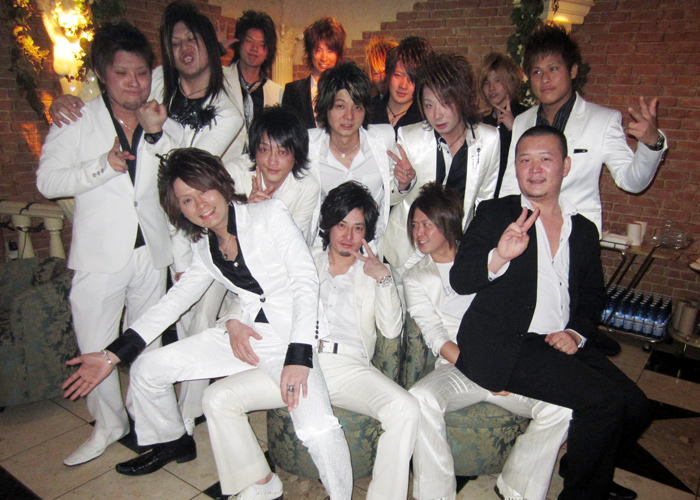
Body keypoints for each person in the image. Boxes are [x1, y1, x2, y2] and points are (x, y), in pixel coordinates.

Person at [61, 148, 352, 500]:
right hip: (249, 335)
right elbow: (173, 302)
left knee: (318, 429)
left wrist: (299, 355)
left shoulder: (268, 214)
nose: (200, 205)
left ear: (221, 184)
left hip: (293, 338)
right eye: (187, 200)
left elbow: (305, 281)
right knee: (147, 368)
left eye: (203, 190)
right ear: (179, 209)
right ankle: (175, 441)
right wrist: (111, 355)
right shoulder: (204, 251)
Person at [451, 125, 651, 500]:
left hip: (562, 340)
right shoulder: (496, 214)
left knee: (637, 407)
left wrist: (575, 332)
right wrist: (499, 257)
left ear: (565, 166)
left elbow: (592, 295)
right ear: (515, 168)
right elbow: (461, 279)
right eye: (525, 160)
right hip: (510, 344)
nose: (535, 169)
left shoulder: (583, 229)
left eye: (546, 159)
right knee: (603, 401)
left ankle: (582, 465)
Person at [36, 22, 181, 467]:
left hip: (151, 252)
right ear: (102, 73)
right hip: (100, 255)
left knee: (148, 343)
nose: (134, 82)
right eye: (122, 73)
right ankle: (108, 423)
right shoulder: (78, 118)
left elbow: (176, 173)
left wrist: (156, 135)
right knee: (95, 344)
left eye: (141, 72)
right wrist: (102, 166)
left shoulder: (159, 118)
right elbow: (48, 181)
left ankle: (147, 417)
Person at [404, 182, 571, 500]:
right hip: (459, 365)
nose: (419, 233)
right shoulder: (415, 276)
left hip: (506, 360)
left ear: (447, 222)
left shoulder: (488, 255)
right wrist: (481, 371)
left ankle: (517, 487)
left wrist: (499, 368)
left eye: (427, 224)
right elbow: (435, 335)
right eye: (414, 225)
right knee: (420, 398)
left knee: (562, 407)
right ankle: (435, 494)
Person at [499, 23, 667, 233]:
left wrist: (652, 144)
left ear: (573, 71)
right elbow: (511, 182)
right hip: (527, 233)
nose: (545, 79)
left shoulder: (602, 120)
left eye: (553, 68)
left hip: (577, 235)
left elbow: (631, 182)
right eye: (536, 71)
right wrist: (502, 228)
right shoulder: (523, 121)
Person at [311, 181, 417, 500]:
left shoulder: (373, 271)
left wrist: (383, 278)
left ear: (366, 233)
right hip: (302, 363)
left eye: (358, 228)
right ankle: (259, 485)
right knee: (220, 397)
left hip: (348, 368)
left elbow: (391, 330)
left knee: (406, 409)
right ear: (328, 225)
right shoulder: (305, 261)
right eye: (341, 225)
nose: (348, 235)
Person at [383, 52, 500, 275]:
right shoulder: (410, 137)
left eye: (445, 103)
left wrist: (476, 247)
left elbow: (485, 201)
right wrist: (402, 184)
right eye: (428, 105)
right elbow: (389, 196)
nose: (436, 115)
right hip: (409, 248)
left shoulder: (489, 139)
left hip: (457, 248)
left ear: (462, 97)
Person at [307, 61, 396, 248]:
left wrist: (404, 184)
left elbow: (391, 192)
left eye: (357, 107)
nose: (349, 116)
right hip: (322, 248)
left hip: (370, 247)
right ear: (326, 107)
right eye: (340, 106)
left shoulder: (384, 139)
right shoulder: (308, 146)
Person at [226, 105, 320, 243]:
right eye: (265, 150)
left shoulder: (307, 188)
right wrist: (246, 211)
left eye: (282, 152)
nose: (272, 161)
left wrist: (265, 214)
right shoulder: (232, 173)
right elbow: (218, 231)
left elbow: (295, 244)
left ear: (297, 156)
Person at [478, 52, 529, 198]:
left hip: (518, 196)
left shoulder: (527, 116)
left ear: (510, 81)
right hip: (488, 198)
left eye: (497, 80)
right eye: (486, 82)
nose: (491, 88)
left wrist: (514, 128)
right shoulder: (485, 122)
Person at [282, 17, 346, 129]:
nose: (324, 58)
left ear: (338, 54)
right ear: (310, 52)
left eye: (330, 51)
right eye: (318, 50)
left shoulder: (347, 88)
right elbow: (287, 131)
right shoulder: (292, 91)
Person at [229, 10, 284, 136]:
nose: (254, 48)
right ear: (239, 43)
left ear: (268, 53)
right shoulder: (220, 79)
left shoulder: (276, 92)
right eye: (249, 41)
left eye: (262, 44)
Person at [369, 36, 432, 133]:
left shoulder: (424, 121)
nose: (403, 86)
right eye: (398, 75)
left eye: (412, 79)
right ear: (388, 74)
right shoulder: (369, 111)